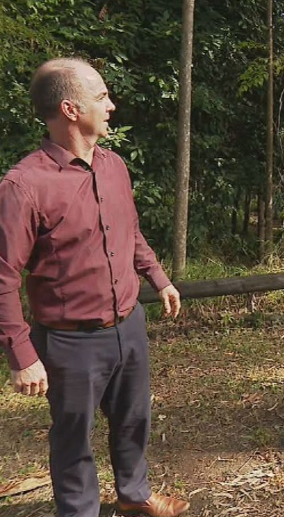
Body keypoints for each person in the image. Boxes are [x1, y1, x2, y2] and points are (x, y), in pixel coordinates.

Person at [0, 58, 190, 517]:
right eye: (101, 96)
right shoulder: (24, 186)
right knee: (72, 434)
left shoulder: (114, 166)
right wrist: (21, 354)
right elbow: (3, 274)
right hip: (69, 342)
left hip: (129, 324)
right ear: (70, 108)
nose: (111, 105)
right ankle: (80, 511)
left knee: (133, 419)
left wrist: (157, 277)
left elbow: (130, 230)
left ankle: (133, 494)